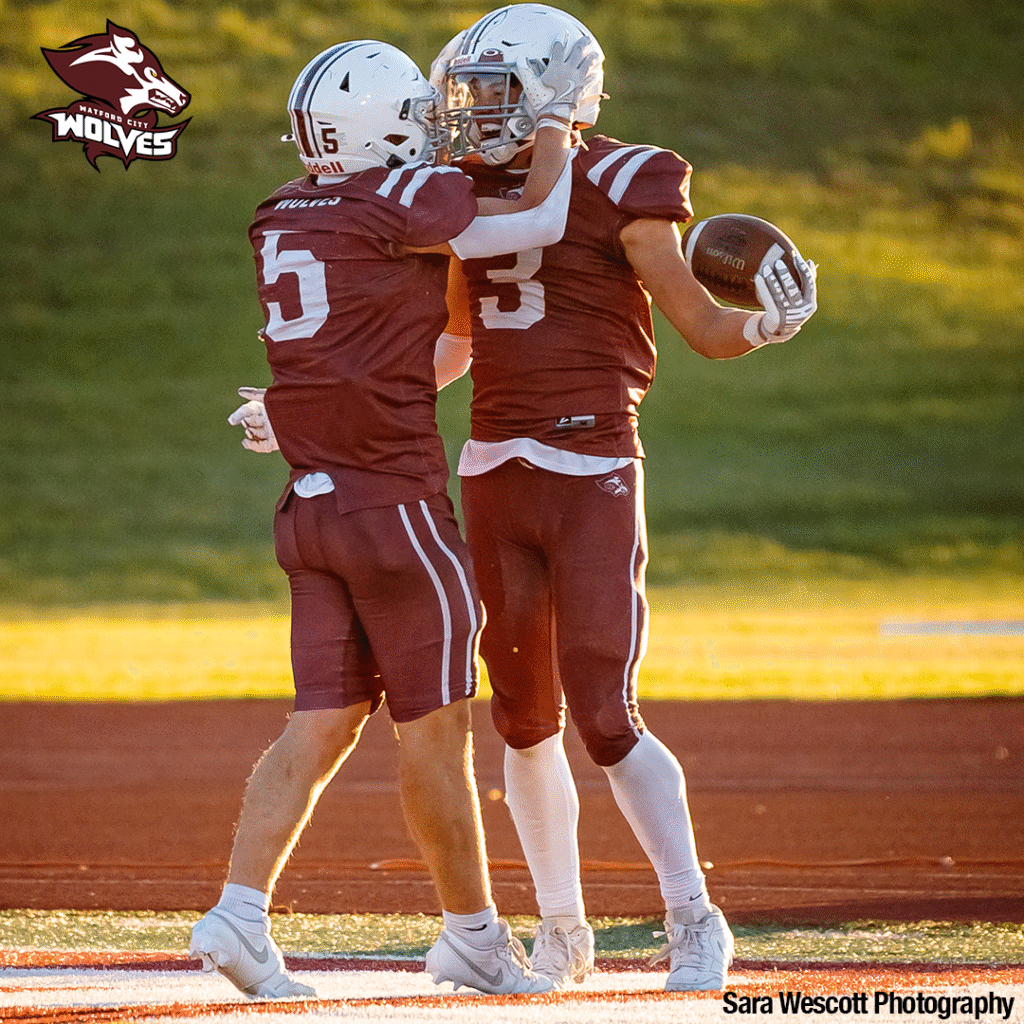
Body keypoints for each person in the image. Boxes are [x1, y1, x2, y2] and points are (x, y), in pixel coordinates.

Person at [190, 36, 595, 1000]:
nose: (433, 133)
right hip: (395, 511)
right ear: (384, 128)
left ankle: (238, 914)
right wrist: (553, 127)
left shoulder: (279, 210)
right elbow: (532, 209)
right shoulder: (395, 202)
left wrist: (287, 410)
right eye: (416, 118)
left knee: (320, 724)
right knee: (436, 735)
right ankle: (474, 937)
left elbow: (377, 341)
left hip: (312, 509)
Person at [427, 2, 819, 993]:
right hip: (493, 469)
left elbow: (698, 321)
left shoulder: (621, 178)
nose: (474, 116)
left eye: (496, 94)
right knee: (519, 716)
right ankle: (563, 929)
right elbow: (454, 347)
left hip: (588, 462)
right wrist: (325, 397)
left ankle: (693, 914)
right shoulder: (455, 192)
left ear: (558, 91)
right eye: (466, 95)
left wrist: (765, 329)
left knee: (602, 708)